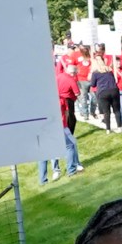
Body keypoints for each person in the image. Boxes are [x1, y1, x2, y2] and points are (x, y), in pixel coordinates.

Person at [42, 56, 82, 185]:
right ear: (73, 73)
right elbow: (77, 93)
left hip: (50, 124)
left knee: (49, 149)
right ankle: (73, 168)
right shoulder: (70, 80)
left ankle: (53, 171)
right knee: (71, 144)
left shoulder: (57, 77)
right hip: (64, 114)